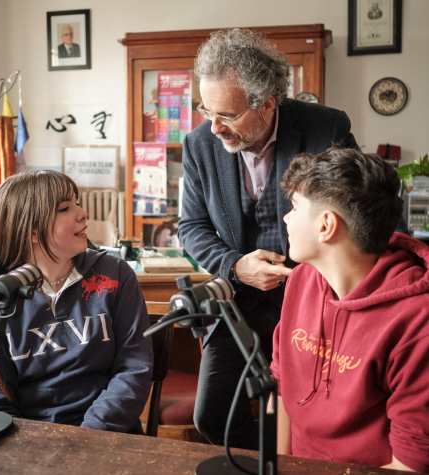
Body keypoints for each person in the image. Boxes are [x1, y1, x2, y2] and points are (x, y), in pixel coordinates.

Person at [177, 28, 358, 450]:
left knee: (308, 418)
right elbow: (191, 227)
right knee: (213, 419)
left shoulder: (324, 128)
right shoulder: (200, 144)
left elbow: (355, 210)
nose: (214, 126)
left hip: (316, 301)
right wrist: (234, 266)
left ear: (268, 104)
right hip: (240, 301)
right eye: (206, 110)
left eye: (228, 115)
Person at [0, 170, 153, 434]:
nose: (83, 213)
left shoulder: (115, 274)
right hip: (27, 445)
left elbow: (133, 369)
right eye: (65, 208)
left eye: (77, 202)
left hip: (107, 436)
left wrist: (92, 434)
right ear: (33, 231)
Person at [271, 146, 429, 473]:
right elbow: (282, 386)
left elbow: (412, 461)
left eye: (295, 207)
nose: (286, 217)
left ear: (326, 225)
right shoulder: (301, 279)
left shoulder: (418, 321)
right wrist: (282, 467)